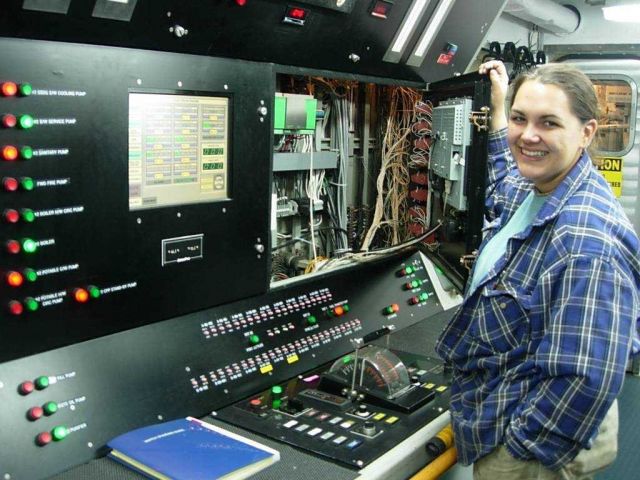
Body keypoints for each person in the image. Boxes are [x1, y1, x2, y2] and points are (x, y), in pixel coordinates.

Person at [435, 60, 640, 479]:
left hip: (535, 449)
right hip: (509, 406)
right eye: (519, 119)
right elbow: (505, 178)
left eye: (548, 123)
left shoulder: (587, 242)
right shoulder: (542, 190)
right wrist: (498, 107)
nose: (528, 135)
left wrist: (519, 452)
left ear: (586, 132)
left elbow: (585, 379)